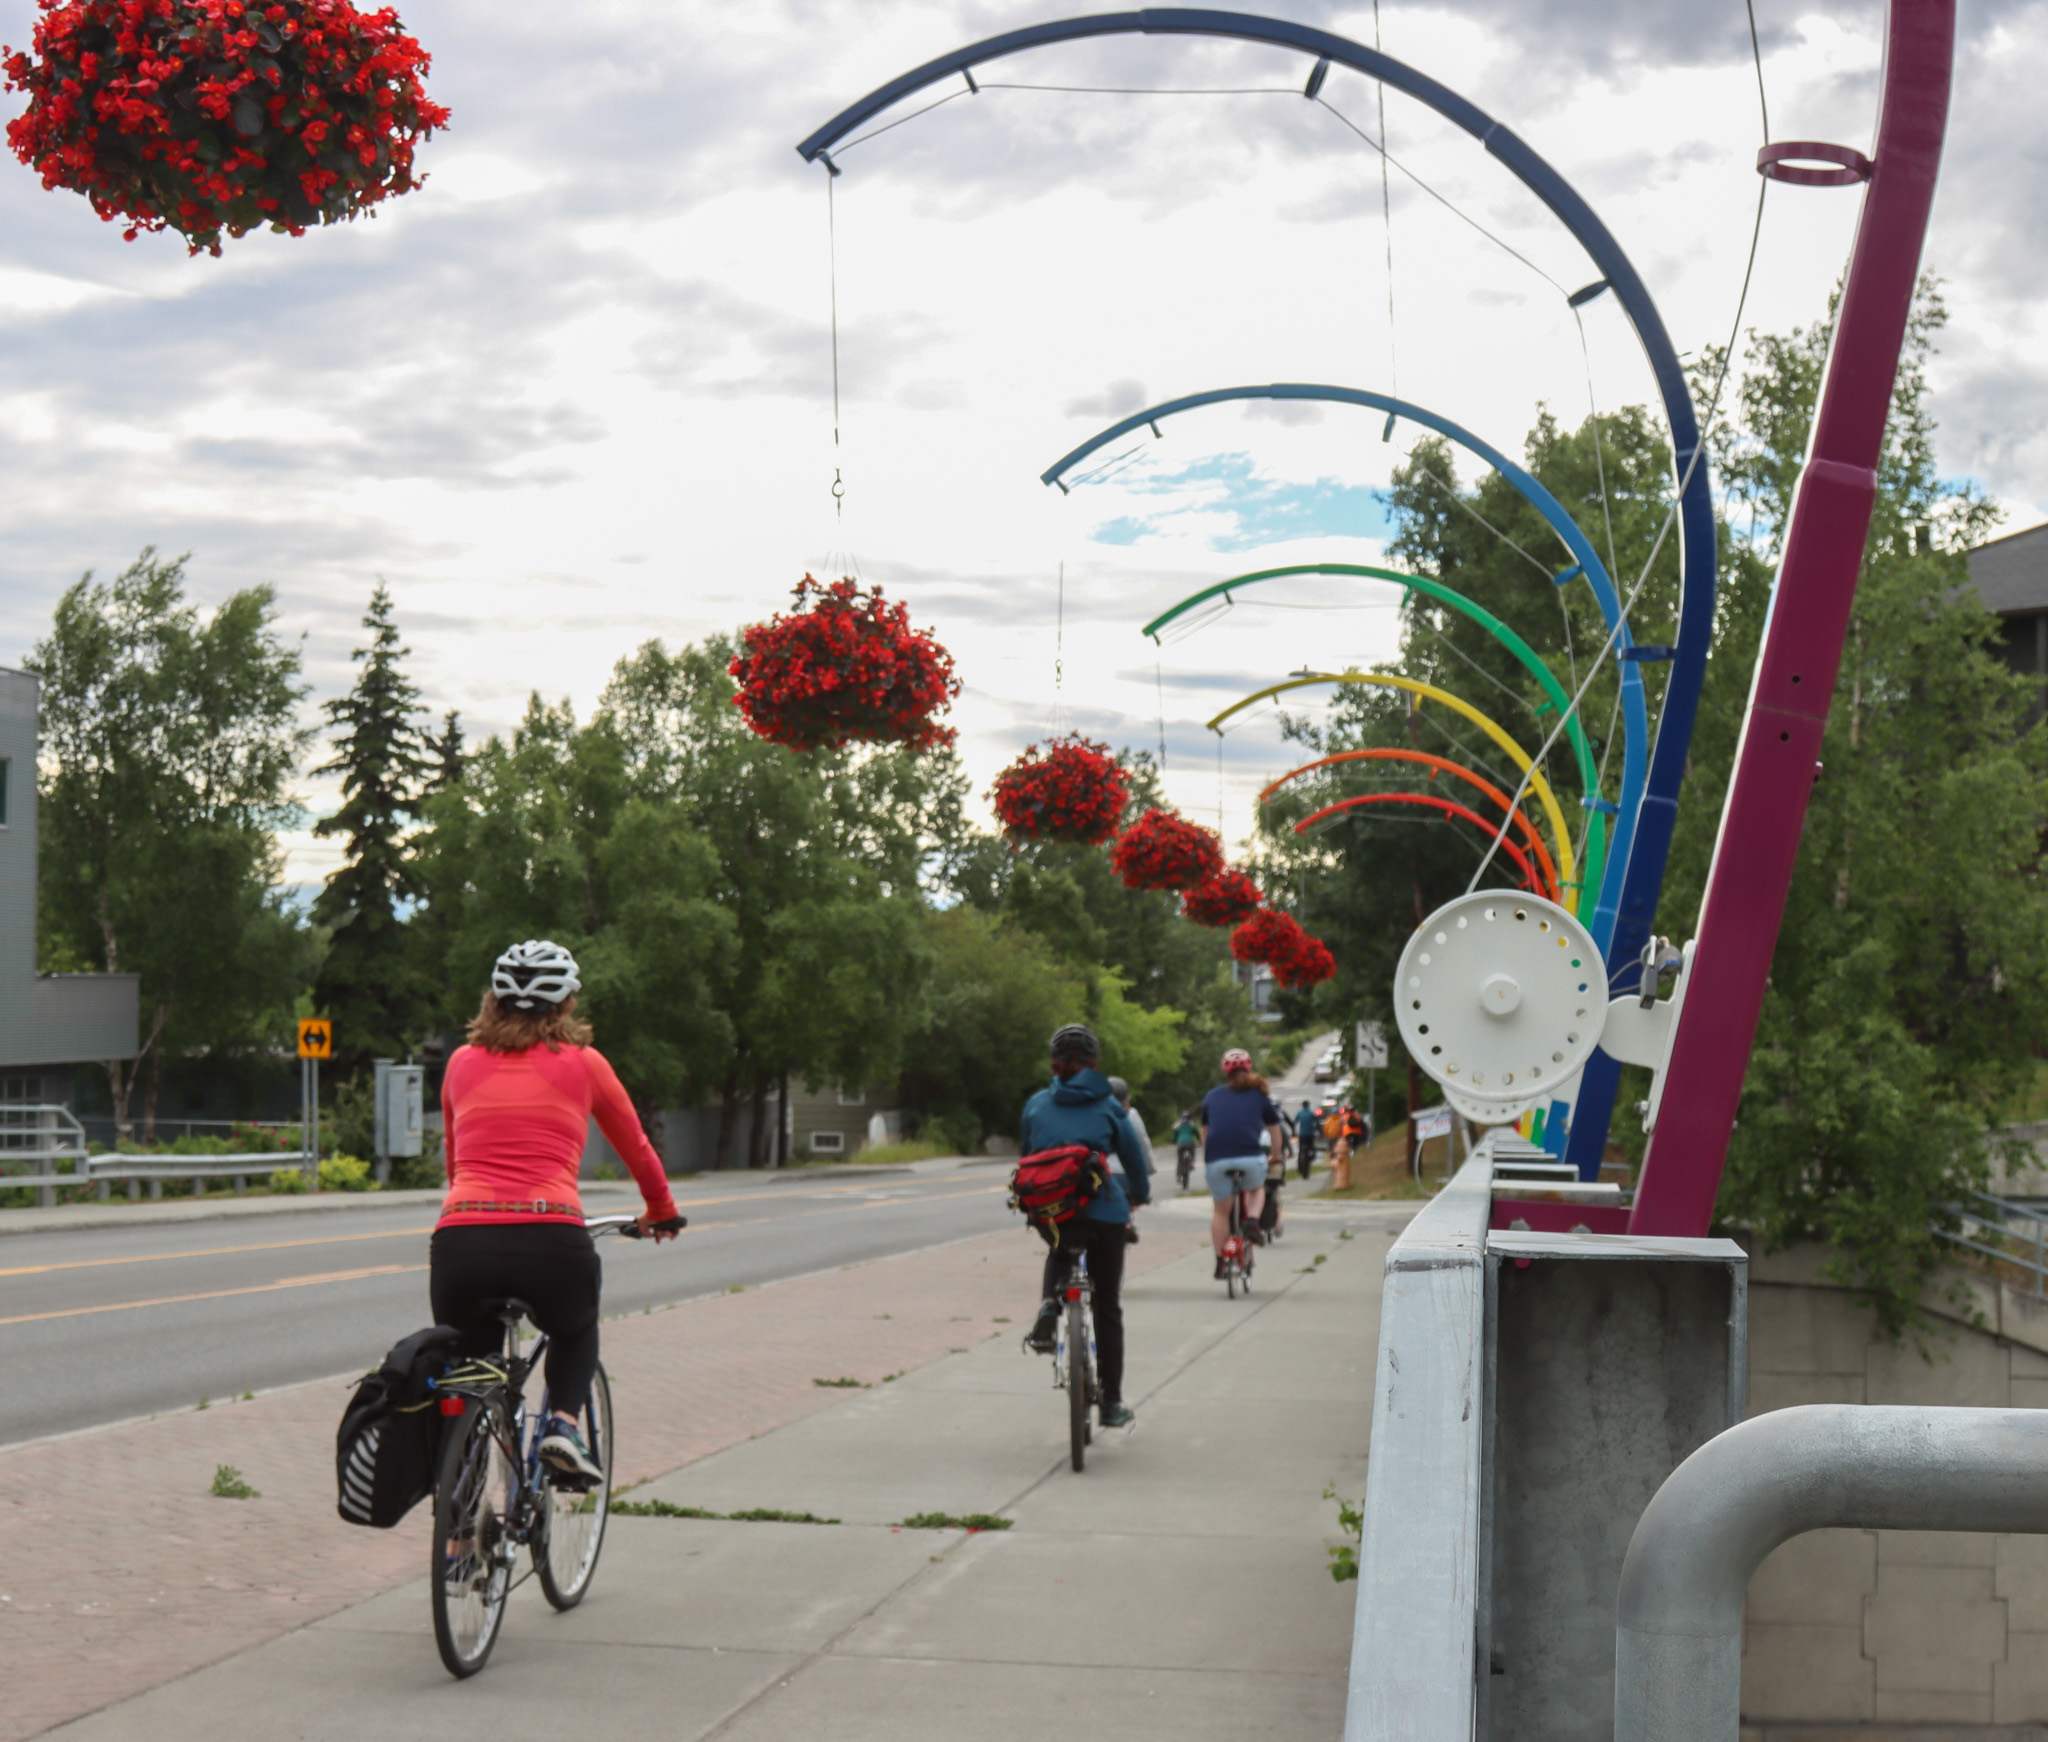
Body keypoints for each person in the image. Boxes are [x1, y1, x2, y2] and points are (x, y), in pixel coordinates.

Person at [432, 939, 682, 1483]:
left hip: (462, 1241)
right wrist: (661, 1210)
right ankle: (563, 1428)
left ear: (491, 1002)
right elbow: (637, 1146)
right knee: (574, 1327)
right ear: (566, 1004)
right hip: (550, 1238)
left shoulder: (458, 1063)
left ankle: (459, 1538)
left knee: (469, 1372)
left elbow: (455, 1161)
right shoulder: (584, 1064)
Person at [1022, 1024, 1150, 1430]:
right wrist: (1139, 1194)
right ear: (1094, 1065)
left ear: (1054, 1064)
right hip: (1104, 1216)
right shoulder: (1110, 1105)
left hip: (1052, 1210)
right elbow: (1133, 1159)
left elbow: (1029, 1156)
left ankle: (1048, 1306)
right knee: (1107, 1305)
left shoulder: (1037, 1104)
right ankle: (1111, 1402)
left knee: (1059, 1246)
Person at [1199, 1048, 1283, 1276]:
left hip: (1216, 1160)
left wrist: (1209, 1159)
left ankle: (1219, 1262)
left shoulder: (1212, 1096)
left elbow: (1205, 1133)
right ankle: (1253, 1222)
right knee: (1256, 1188)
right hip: (1250, 1158)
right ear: (1249, 1068)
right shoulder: (1259, 1095)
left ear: (1224, 1072)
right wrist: (1276, 1155)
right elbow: (1275, 1131)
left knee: (1220, 1212)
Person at [1106, 1076, 1152, 1181]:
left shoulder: (1096, 1116)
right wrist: (1148, 1168)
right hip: (1126, 1171)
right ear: (1126, 1098)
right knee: (1140, 1195)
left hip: (1102, 1172)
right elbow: (1143, 1143)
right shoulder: (1130, 1114)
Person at [1293, 1099, 1319, 1180]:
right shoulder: (1311, 1113)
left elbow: (1294, 1123)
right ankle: (1313, 1155)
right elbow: (1317, 1123)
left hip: (1302, 1135)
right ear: (1308, 1105)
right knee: (1312, 1148)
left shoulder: (1300, 1113)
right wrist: (1316, 1129)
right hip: (1310, 1135)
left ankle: (1300, 1165)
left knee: (1301, 1150)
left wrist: (1293, 1132)